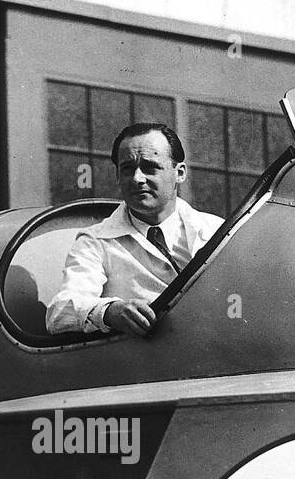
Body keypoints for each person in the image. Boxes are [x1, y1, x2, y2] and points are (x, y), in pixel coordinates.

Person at [45, 123, 224, 337]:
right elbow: (59, 312)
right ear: (118, 176)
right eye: (128, 169)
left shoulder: (218, 230)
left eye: (150, 167)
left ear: (180, 173)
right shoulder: (95, 241)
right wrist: (109, 311)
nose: (138, 179)